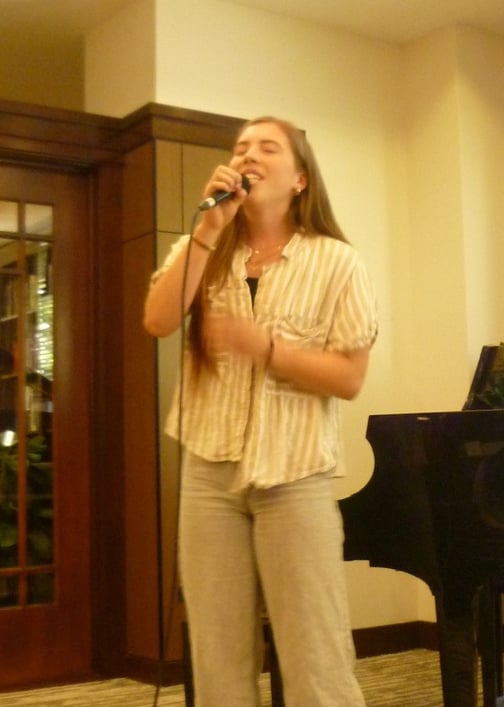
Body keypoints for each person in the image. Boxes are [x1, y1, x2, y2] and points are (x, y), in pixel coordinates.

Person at [143, 116, 378, 707]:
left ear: (300, 179)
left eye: (267, 147)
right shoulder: (204, 243)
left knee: (315, 657)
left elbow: (349, 378)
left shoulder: (337, 261)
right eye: (241, 147)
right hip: (208, 474)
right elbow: (158, 320)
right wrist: (207, 228)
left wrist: (267, 348)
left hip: (294, 476)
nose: (249, 155)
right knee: (218, 658)